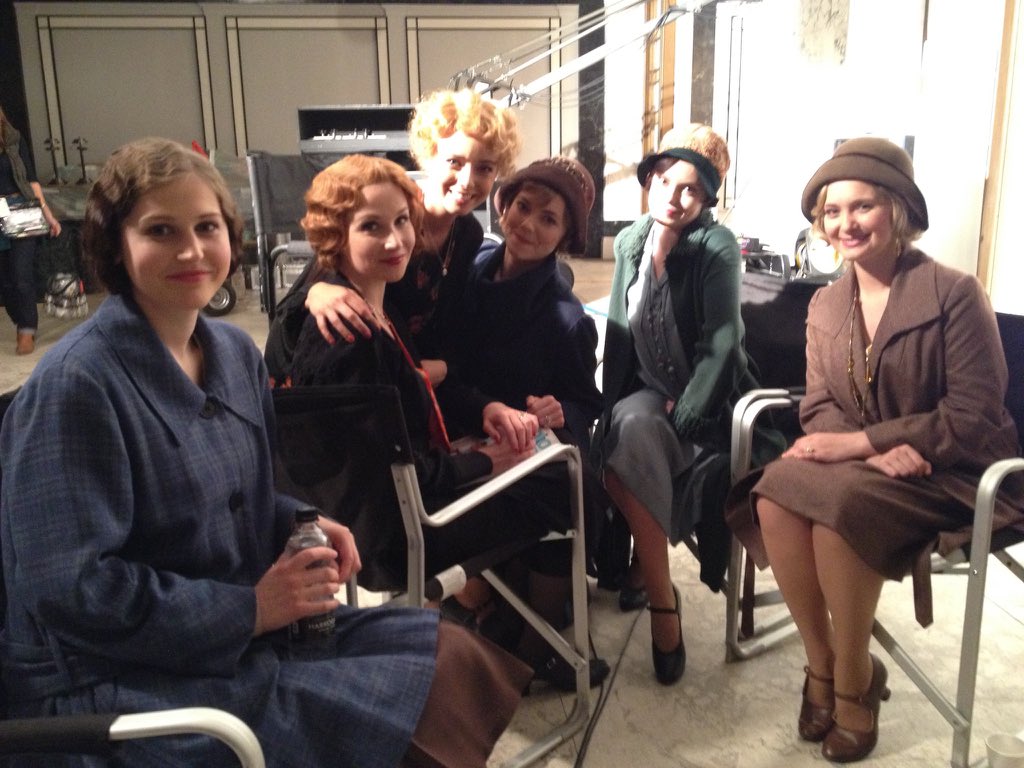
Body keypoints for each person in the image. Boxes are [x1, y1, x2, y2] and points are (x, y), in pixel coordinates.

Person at [0, 137, 531, 768]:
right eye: (161, 231)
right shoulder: (77, 387)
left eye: (207, 227)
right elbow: (70, 592)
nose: (192, 250)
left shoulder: (229, 353)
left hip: (239, 627)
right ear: (115, 244)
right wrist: (251, 610)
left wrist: (300, 521)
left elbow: (246, 490)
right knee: (404, 737)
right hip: (116, 678)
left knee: (454, 658)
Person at [725, 137, 1024, 762]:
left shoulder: (954, 293)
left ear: (897, 210)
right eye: (833, 212)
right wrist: (867, 454)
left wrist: (867, 443)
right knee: (773, 492)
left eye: (863, 206)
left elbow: (974, 414)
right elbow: (819, 404)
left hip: (954, 472)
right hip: (870, 469)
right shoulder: (826, 303)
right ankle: (823, 663)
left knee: (841, 510)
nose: (846, 224)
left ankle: (854, 680)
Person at [282, 153, 608, 691]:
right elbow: (397, 479)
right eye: (372, 227)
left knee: (562, 469)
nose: (396, 241)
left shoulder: (384, 308)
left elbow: (420, 396)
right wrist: (484, 459)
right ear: (334, 237)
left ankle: (517, 623)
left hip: (418, 480)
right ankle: (535, 649)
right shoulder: (355, 331)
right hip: (404, 532)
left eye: (401, 222)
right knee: (571, 484)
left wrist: (489, 412)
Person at [592, 124, 782, 686]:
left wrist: (692, 410)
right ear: (650, 181)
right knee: (615, 438)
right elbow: (620, 333)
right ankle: (659, 585)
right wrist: (608, 402)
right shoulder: (631, 241)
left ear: (707, 198)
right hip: (651, 392)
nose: (674, 198)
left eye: (691, 189)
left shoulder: (713, 246)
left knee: (629, 443)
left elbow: (724, 343)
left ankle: (659, 604)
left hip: (711, 400)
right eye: (665, 181)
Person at [266, 88, 536, 451]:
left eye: (485, 168)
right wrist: (319, 290)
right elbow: (305, 301)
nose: (468, 180)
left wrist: (446, 377)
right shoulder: (389, 210)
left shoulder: (468, 233)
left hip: (407, 374)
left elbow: (444, 326)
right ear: (429, 155)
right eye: (455, 162)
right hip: (346, 388)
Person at [452, 155, 603, 450]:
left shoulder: (569, 321)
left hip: (510, 449)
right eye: (523, 206)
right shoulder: (468, 266)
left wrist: (560, 410)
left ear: (564, 237)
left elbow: (586, 403)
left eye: (548, 219)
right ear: (506, 206)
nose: (527, 224)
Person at [0, 104, 61, 355]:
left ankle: (27, 328)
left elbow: (31, 179)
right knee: (5, 283)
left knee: (21, 275)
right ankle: (20, 319)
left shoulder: (14, 139)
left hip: (20, 209)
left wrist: (48, 214)